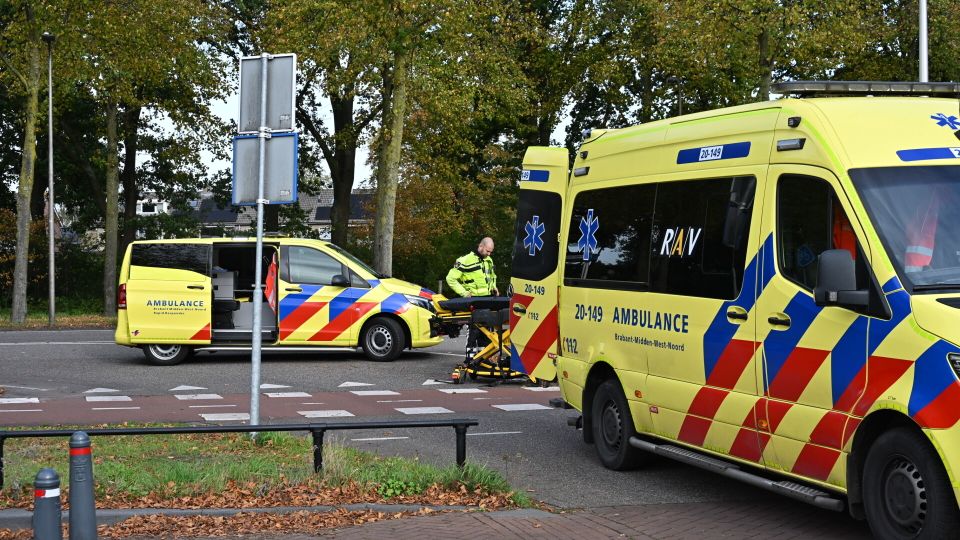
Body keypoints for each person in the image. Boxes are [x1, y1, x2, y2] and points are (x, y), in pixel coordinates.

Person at [446, 237, 499, 358]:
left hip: (488, 300)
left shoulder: (488, 260)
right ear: (481, 246)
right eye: (487, 251)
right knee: (474, 330)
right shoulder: (465, 260)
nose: (489, 254)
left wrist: (494, 287)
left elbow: (491, 277)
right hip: (474, 301)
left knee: (486, 330)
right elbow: (450, 279)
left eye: (491, 251)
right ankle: (470, 358)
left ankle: (483, 357)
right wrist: (464, 293)